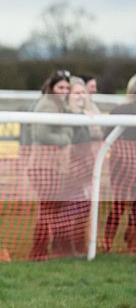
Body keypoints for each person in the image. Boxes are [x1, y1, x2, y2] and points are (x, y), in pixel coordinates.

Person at [27, 70, 73, 261]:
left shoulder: (60, 105)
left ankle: (47, 249)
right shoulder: (47, 105)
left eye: (67, 87)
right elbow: (41, 134)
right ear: (52, 87)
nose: (64, 91)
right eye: (60, 87)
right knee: (47, 210)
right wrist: (65, 138)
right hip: (44, 166)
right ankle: (38, 251)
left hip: (54, 166)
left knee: (52, 210)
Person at [50, 76, 96, 257]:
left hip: (85, 167)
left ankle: (76, 245)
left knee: (83, 207)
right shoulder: (65, 115)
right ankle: (63, 247)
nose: (80, 96)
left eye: (83, 92)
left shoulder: (87, 114)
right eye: (76, 92)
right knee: (69, 208)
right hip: (70, 168)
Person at [103, 74, 136, 253]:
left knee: (118, 205)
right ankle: (131, 244)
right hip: (124, 162)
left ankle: (107, 242)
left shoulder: (117, 110)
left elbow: (106, 136)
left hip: (119, 164)